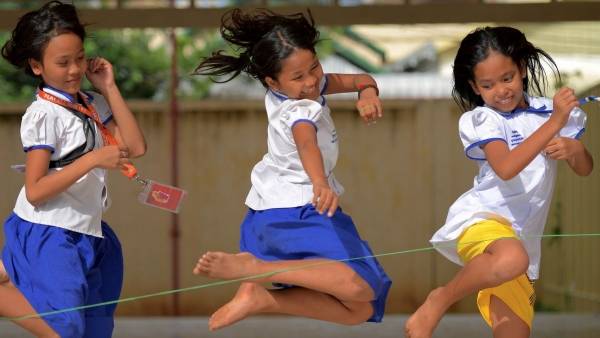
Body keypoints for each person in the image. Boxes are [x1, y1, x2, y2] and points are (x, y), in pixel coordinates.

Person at [191, 8, 392, 331]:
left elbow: (362, 79)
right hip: (296, 209)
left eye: (314, 67)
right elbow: (306, 143)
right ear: (272, 81)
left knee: (360, 309)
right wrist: (320, 182)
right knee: (361, 287)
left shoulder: (304, 88)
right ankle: (256, 269)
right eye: (299, 77)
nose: (312, 81)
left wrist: (367, 92)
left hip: (273, 210)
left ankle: (260, 297)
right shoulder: (297, 109)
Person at [404, 26, 593, 338]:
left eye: (507, 79)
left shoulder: (549, 111)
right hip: (483, 221)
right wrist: (555, 123)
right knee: (510, 257)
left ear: (521, 70)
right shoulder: (482, 119)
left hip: (523, 243)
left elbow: (585, 169)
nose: (501, 90)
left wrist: (576, 149)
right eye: (488, 85)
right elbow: (506, 168)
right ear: (474, 87)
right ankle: (440, 299)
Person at [0, 1, 146, 337]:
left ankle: (12, 268)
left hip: (88, 231)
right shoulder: (43, 115)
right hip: (49, 230)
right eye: (62, 62)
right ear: (36, 66)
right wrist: (93, 160)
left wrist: (109, 86)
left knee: (94, 331)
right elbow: (35, 191)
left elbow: (135, 148)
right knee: (65, 330)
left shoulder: (92, 102)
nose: (74, 69)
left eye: (79, 58)